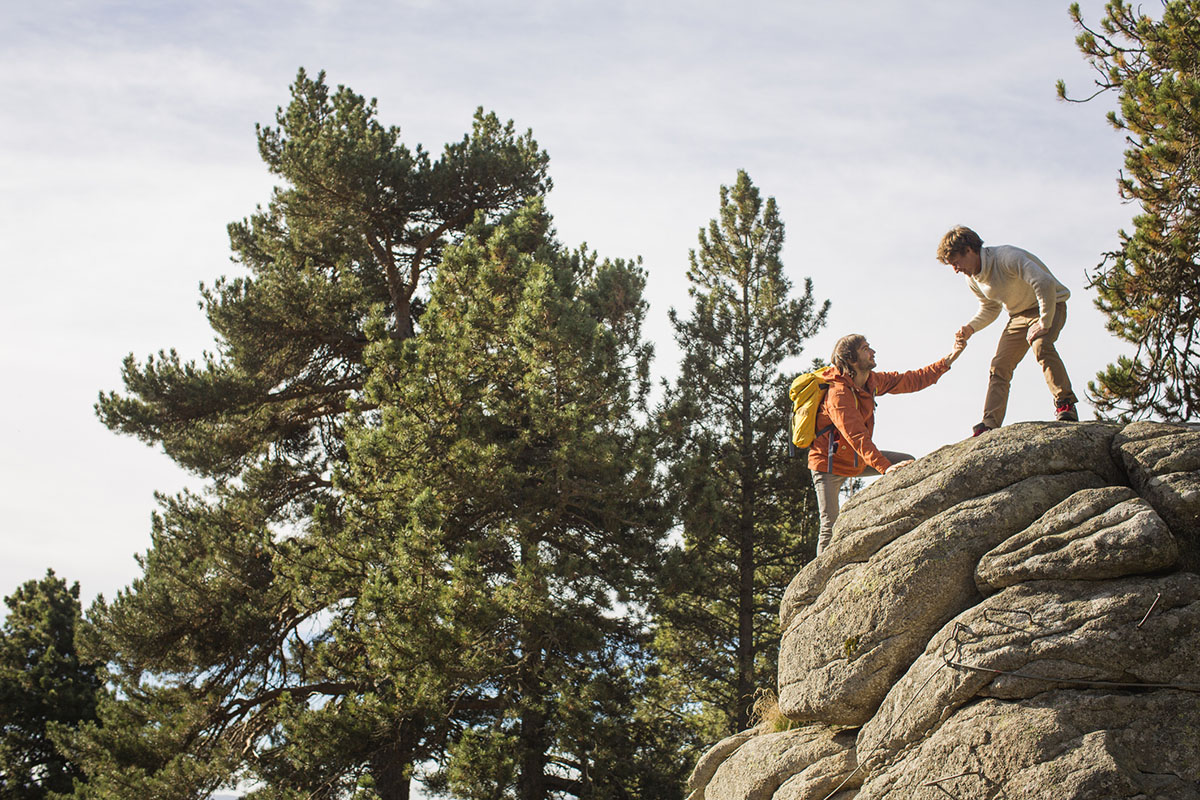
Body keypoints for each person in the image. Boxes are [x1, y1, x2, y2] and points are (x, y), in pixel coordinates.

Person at [809, 334, 966, 555]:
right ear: (851, 358)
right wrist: (884, 467)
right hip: (828, 465)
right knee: (829, 527)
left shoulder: (871, 381)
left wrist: (949, 360)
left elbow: (911, 380)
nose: (872, 352)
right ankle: (818, 586)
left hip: (857, 459)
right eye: (865, 349)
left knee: (905, 463)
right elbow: (856, 435)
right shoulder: (838, 393)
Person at [936, 226, 1079, 436]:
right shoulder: (973, 279)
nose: (956, 269)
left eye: (956, 262)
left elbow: (1044, 283)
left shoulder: (1006, 257)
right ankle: (990, 423)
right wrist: (971, 327)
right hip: (1018, 316)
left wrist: (1045, 322)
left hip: (1050, 304)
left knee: (1041, 345)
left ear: (969, 250)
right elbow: (990, 307)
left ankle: (1065, 403)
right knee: (999, 365)